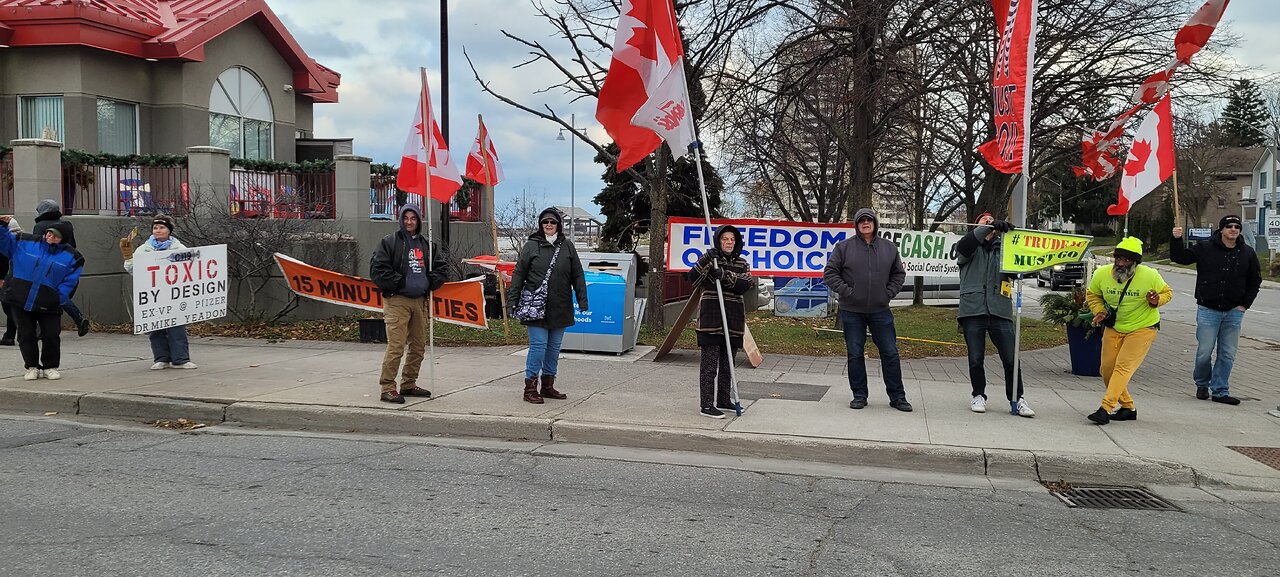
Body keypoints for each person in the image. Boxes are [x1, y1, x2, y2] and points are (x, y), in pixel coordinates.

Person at [823, 208, 912, 412]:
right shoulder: (843, 248)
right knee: (855, 354)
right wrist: (848, 292)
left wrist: (887, 293)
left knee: (890, 353)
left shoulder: (889, 248)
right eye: (861, 220)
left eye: (869, 220)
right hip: (852, 311)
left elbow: (898, 274)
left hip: (881, 310)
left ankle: (898, 397)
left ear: (875, 223)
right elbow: (829, 273)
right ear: (856, 224)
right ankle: (859, 396)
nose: (865, 223)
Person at [1171, 216, 1261, 405]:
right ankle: (1202, 384)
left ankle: (1220, 390)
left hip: (1234, 311)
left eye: (1237, 226)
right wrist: (1176, 239)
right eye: (1229, 226)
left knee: (1227, 353)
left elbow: (1255, 280)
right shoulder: (1205, 248)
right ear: (1221, 229)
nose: (1233, 229)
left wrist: (1245, 304)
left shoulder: (1248, 253)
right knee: (1204, 352)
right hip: (1208, 309)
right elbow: (1180, 258)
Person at [1084, 237, 1172, 425]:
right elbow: (1092, 294)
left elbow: (1167, 292)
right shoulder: (1102, 274)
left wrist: (1155, 301)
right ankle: (1128, 407)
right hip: (1114, 326)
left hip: (1143, 327)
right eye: (1118, 259)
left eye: (1127, 260)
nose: (1121, 264)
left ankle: (1105, 408)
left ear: (1136, 262)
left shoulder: (1150, 275)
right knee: (1106, 369)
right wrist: (1099, 311)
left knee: (1122, 367)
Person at [955, 212, 1034, 417]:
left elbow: (1019, 271)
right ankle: (978, 394)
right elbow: (964, 246)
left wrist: (1013, 240)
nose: (989, 221)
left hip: (1000, 310)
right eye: (984, 220)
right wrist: (987, 228)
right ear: (977, 225)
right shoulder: (969, 246)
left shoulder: (1005, 248)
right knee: (976, 358)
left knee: (1010, 358)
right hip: (973, 309)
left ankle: (1017, 398)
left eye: (992, 220)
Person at [508, 208, 587, 404]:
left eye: (553, 222)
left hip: (560, 305)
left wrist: (582, 299)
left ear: (559, 225)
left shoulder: (567, 247)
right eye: (546, 222)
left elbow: (577, 274)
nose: (549, 225)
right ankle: (530, 388)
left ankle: (548, 386)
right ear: (541, 225)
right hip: (536, 307)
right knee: (538, 346)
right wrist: (512, 301)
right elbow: (519, 274)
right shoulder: (531, 246)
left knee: (553, 348)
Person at [370, 204, 448, 404]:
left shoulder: (427, 245)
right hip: (397, 300)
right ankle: (387, 387)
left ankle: (408, 383)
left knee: (418, 346)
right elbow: (378, 270)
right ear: (401, 219)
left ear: (419, 220)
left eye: (413, 218)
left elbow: (441, 268)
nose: (409, 222)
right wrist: (401, 283)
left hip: (420, 301)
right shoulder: (388, 242)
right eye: (406, 218)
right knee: (396, 346)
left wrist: (431, 281)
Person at [0, 214, 83, 381]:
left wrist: (58, 298)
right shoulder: (26, 241)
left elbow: (70, 281)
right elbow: (4, 244)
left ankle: (50, 366)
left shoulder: (73, 257)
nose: (49, 236)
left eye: (55, 235)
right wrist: (2, 226)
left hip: (49, 302)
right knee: (25, 334)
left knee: (51, 334)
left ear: (63, 239)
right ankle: (31, 366)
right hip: (20, 298)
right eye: (49, 233)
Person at [687, 224, 754, 419]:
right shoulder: (710, 261)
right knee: (709, 366)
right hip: (711, 318)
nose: (729, 242)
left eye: (732, 239)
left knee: (728, 364)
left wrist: (724, 275)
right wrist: (707, 259)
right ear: (718, 240)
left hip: (733, 320)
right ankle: (706, 404)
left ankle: (723, 399)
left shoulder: (742, 263)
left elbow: (745, 285)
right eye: (725, 239)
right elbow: (693, 278)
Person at [123, 214, 198, 370]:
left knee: (176, 327)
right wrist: (128, 256)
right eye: (155, 228)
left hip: (173, 294)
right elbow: (132, 270)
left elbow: (190, 269)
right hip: (153, 294)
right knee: (156, 327)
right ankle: (161, 358)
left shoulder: (180, 249)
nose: (158, 230)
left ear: (169, 230)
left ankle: (181, 359)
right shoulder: (144, 249)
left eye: (162, 227)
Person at [32, 199, 90, 337]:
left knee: (46, 296)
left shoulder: (40, 226)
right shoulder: (66, 225)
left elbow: (38, 248)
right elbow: (73, 245)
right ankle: (76, 319)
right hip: (67, 265)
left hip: (48, 267)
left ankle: (45, 329)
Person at [0, 218, 20, 346]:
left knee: (8, 306)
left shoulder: (7, 241)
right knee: (10, 306)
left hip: (5, 278)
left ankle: (10, 335)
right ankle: (9, 335)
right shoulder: (22, 241)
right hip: (14, 278)